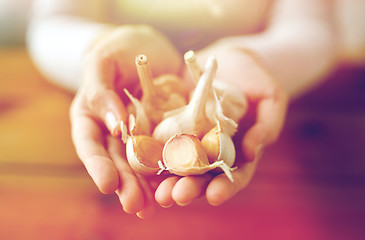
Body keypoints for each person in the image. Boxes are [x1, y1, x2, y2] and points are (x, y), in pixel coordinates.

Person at [27, 0, 365, 218]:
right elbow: (52, 23)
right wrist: (97, 53)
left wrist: (260, 58)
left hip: (284, 149)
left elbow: (313, 24)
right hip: (86, 173)